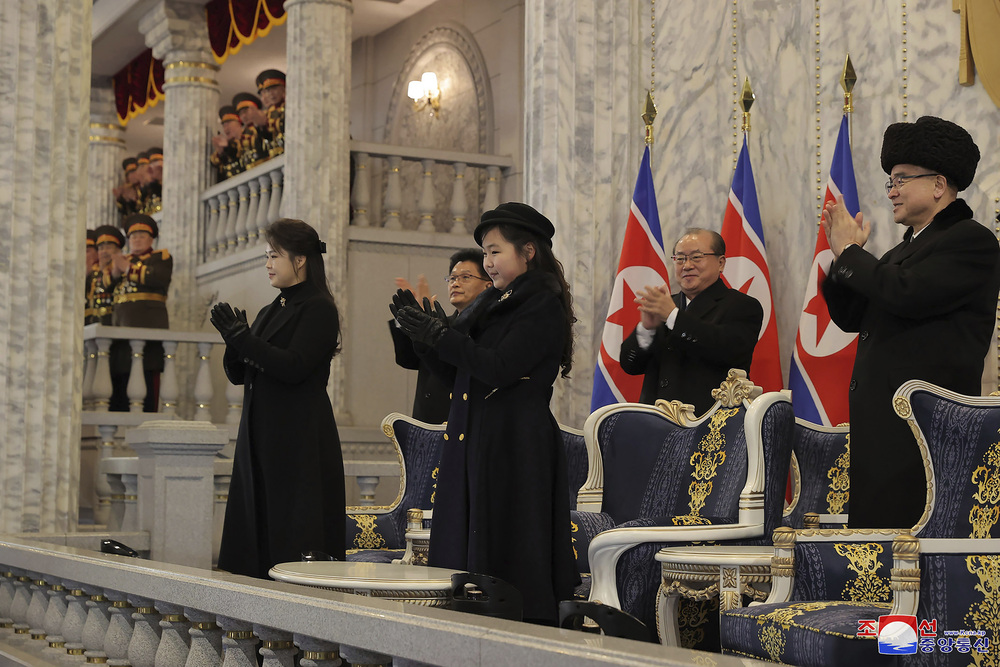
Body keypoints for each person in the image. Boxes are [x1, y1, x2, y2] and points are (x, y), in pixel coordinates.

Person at [390, 202, 578, 624]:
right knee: (466, 549)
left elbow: (499, 368)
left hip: (514, 442)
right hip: (476, 437)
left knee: (509, 552)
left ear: (528, 251)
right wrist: (424, 336)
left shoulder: (539, 301)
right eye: (486, 253)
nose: (488, 262)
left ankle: (517, 637)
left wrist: (442, 336)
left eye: (495, 252)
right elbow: (454, 372)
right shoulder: (490, 303)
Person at [822, 115, 1000, 529]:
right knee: (875, 552)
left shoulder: (970, 240)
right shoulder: (902, 251)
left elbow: (906, 293)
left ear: (939, 185)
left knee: (909, 558)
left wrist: (852, 255)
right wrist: (843, 259)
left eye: (901, 180)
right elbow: (852, 318)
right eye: (889, 182)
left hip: (925, 430)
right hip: (883, 431)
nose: (892, 192)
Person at [213, 218, 346, 579]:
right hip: (260, 436)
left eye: (274, 255)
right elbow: (240, 373)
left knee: (291, 531)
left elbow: (294, 367)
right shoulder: (272, 308)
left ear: (300, 260)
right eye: (267, 256)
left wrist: (245, 341)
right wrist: (233, 341)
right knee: (253, 532)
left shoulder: (318, 307)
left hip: (297, 438)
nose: (268, 264)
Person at [619, 228, 763, 414]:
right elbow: (630, 365)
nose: (686, 266)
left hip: (711, 425)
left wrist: (673, 317)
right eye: (680, 258)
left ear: (721, 263)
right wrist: (647, 329)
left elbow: (725, 349)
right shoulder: (665, 305)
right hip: (657, 424)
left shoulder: (742, 305)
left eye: (696, 257)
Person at [388, 249, 492, 423]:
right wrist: (409, 320)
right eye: (452, 278)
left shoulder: (489, 328)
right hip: (425, 423)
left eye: (465, 277)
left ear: (488, 285)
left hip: (460, 425)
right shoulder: (439, 323)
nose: (455, 283)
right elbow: (407, 359)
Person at [110, 214, 172, 412]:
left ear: (151, 239)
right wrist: (114, 271)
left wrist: (127, 268)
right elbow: (104, 287)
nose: (136, 239)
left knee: (147, 389)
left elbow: (157, 278)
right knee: (118, 387)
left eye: (141, 235)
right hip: (120, 337)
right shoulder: (121, 261)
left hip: (149, 336)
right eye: (132, 236)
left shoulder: (160, 257)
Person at [233, 92, 270, 170]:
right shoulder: (242, 134)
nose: (243, 116)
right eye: (240, 114)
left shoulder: (265, 122)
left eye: (246, 111)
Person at [210, 105, 244, 181]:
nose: (226, 129)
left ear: (239, 122)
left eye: (228, 123)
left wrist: (227, 147)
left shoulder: (246, 139)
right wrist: (221, 152)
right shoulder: (226, 146)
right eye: (224, 125)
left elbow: (235, 151)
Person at [256, 69, 285, 157]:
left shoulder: (290, 106)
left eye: (274, 88)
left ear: (283, 88)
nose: (271, 94)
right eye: (268, 91)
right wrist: (261, 126)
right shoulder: (270, 112)